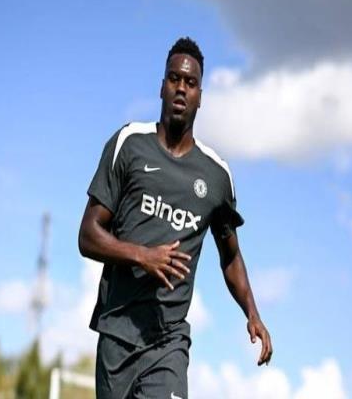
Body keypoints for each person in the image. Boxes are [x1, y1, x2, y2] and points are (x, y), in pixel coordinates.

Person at [78, 37, 272, 399]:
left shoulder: (216, 176)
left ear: (200, 96)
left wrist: (252, 313)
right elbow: (88, 235)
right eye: (174, 79)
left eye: (191, 82)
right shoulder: (129, 144)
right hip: (117, 332)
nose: (181, 88)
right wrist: (143, 256)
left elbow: (230, 256)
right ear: (162, 87)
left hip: (168, 341)